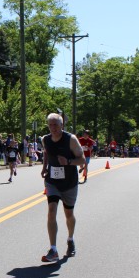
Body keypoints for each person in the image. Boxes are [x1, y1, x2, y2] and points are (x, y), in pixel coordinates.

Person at [40, 112, 86, 262]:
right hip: (52, 181)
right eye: (50, 125)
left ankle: (70, 239)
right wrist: (44, 167)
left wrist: (68, 162)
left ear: (62, 125)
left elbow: (82, 159)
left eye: (56, 125)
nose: (53, 128)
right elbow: (46, 152)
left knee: (69, 214)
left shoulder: (70, 139)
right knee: (51, 211)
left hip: (69, 183)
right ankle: (53, 250)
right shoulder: (45, 139)